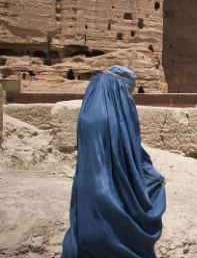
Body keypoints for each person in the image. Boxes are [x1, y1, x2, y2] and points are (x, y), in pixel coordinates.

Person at [61, 65, 166, 258]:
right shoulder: (111, 118)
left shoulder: (89, 114)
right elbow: (128, 153)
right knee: (114, 237)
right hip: (108, 196)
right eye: (127, 91)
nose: (128, 97)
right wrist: (152, 177)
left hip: (86, 194)